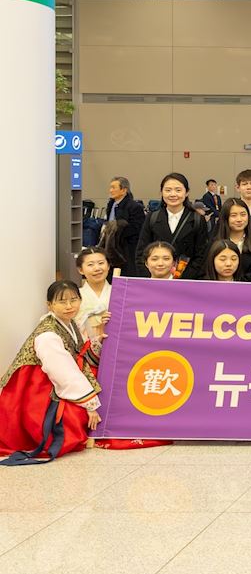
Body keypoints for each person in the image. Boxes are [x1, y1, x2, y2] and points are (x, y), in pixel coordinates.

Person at [0, 281, 103, 463]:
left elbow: (78, 355)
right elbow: (64, 373)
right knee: (76, 420)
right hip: (37, 390)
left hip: (55, 379)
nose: (69, 306)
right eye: (62, 302)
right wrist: (90, 405)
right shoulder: (48, 334)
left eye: (74, 300)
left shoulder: (69, 323)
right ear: (50, 305)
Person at [134, 173, 209, 280]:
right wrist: (150, 278)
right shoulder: (152, 218)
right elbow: (141, 252)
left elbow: (201, 255)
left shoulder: (197, 219)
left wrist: (180, 279)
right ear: (161, 192)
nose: (173, 194)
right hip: (156, 280)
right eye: (168, 190)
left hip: (186, 280)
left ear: (187, 192)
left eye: (178, 190)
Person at [215, 198, 251, 282]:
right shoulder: (215, 243)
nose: (239, 219)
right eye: (233, 215)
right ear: (225, 218)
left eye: (243, 215)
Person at [104, 176, 145, 269]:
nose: (110, 190)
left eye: (113, 188)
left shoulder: (135, 207)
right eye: (110, 187)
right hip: (111, 246)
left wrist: (118, 230)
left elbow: (137, 228)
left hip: (127, 249)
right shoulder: (111, 204)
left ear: (123, 190)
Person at [76, 247, 112, 342]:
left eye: (101, 263)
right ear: (81, 270)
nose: (97, 268)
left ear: (108, 266)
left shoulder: (119, 293)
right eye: (90, 265)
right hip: (85, 346)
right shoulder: (76, 296)